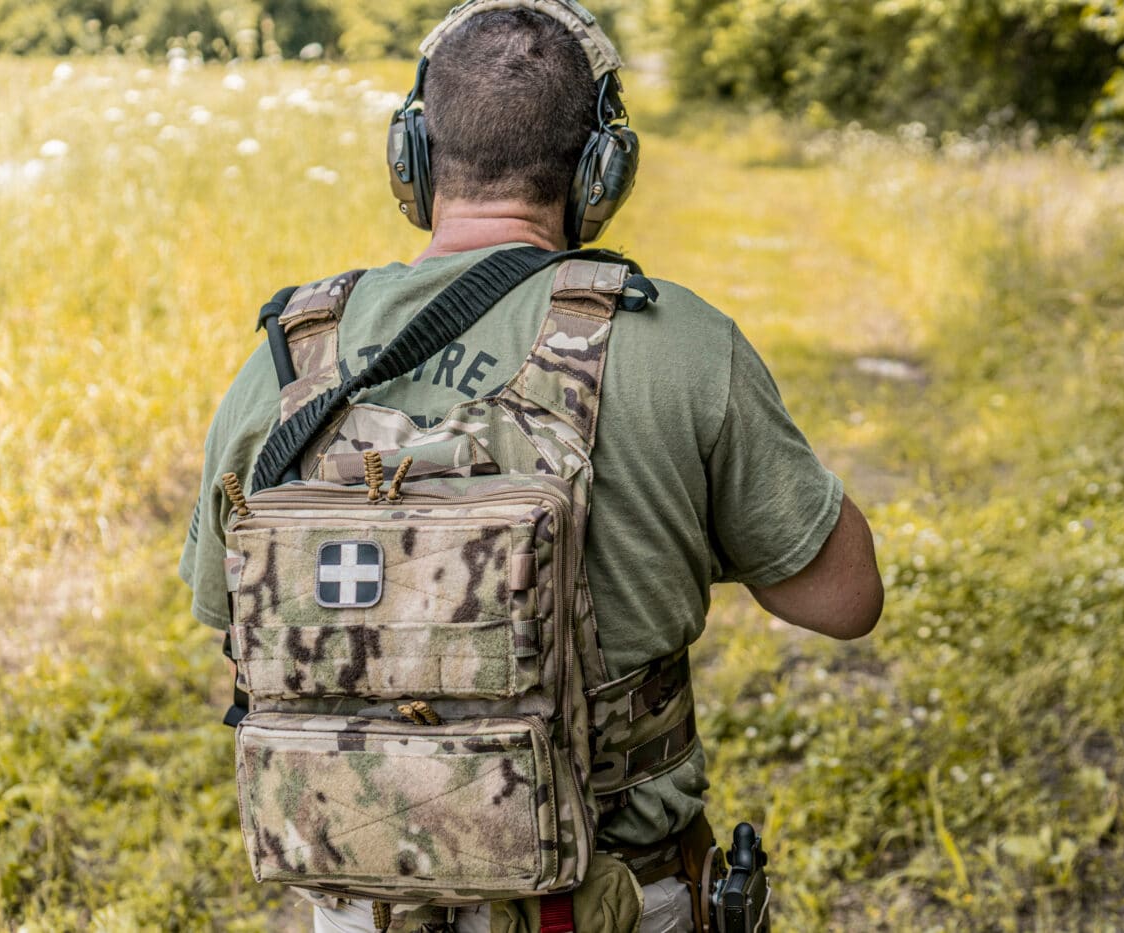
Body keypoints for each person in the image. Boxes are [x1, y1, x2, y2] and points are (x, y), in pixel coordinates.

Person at [179, 3, 883, 931]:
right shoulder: (684, 346)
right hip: (612, 899)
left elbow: (225, 610)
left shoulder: (293, 356)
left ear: (413, 158)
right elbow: (843, 600)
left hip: (370, 904)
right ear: (603, 170)